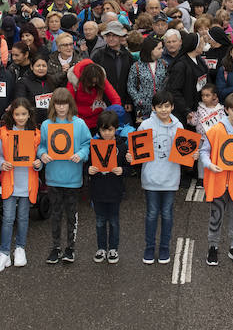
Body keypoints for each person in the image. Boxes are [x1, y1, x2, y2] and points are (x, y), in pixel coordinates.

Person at [200, 92, 233, 267]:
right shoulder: (215, 130)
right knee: (216, 215)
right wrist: (209, 165)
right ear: (226, 110)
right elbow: (204, 151)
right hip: (218, 180)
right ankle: (213, 247)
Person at [38, 88, 90, 265]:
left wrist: (81, 155)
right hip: (53, 177)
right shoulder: (46, 125)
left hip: (73, 179)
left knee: (71, 214)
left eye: (64, 104)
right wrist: (42, 154)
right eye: (58, 104)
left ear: (70, 105)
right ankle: (55, 247)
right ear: (53, 105)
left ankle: (70, 248)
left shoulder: (80, 124)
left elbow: (88, 145)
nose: (61, 107)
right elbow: (41, 146)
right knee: (56, 214)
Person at [0, 99, 40, 272]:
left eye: (24, 114)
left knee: (23, 217)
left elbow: (39, 157)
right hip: (10, 182)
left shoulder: (36, 133)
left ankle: (20, 248)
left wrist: (38, 164)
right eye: (17, 114)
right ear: (12, 115)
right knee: (7, 219)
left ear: (29, 114)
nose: (20, 118)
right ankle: (4, 252)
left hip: (27, 182)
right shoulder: (4, 132)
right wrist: (1, 164)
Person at [138, 90, 183, 264]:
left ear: (172, 107)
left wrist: (191, 155)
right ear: (153, 108)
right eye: (159, 106)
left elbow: (184, 151)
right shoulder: (145, 126)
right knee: (151, 214)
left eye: (167, 106)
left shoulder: (179, 127)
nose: (163, 110)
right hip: (151, 177)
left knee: (167, 214)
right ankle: (149, 248)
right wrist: (131, 156)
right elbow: (138, 151)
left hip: (171, 178)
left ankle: (164, 248)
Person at [88, 109, 128, 264]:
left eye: (110, 130)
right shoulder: (94, 146)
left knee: (114, 221)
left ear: (116, 129)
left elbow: (129, 168)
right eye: (104, 130)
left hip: (115, 191)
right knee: (99, 221)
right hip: (98, 191)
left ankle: (113, 248)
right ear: (99, 130)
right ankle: (101, 248)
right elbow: (87, 165)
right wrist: (89, 170)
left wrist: (123, 170)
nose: (107, 133)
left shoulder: (122, 146)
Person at [127, 37, 168, 122]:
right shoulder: (137, 66)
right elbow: (131, 86)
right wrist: (139, 101)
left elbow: (167, 84)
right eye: (159, 48)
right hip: (143, 111)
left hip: (162, 109)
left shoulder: (164, 64)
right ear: (151, 50)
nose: (162, 50)